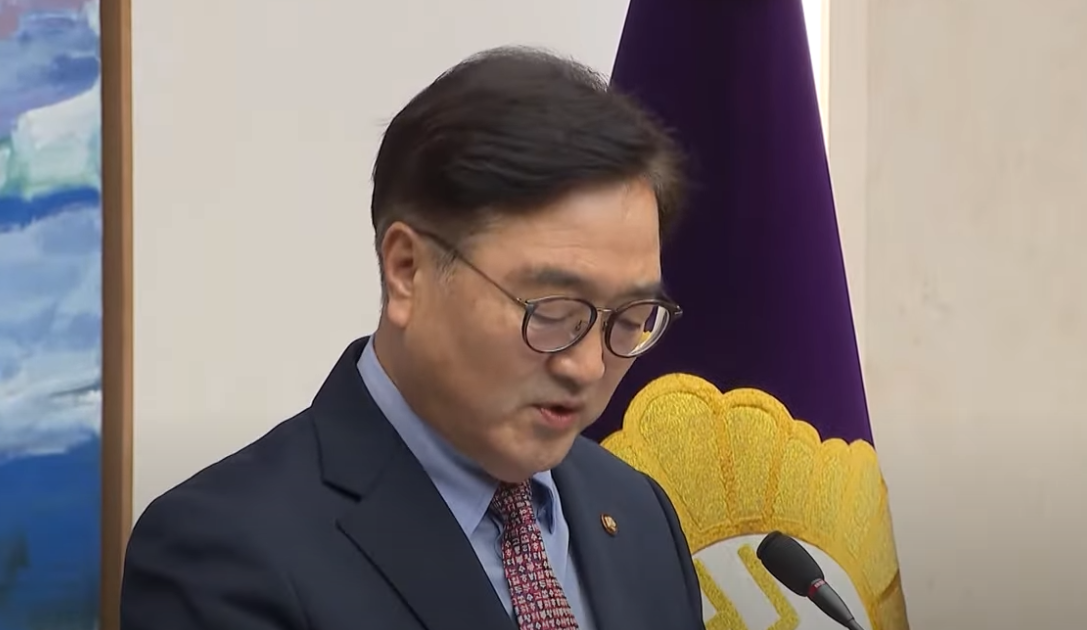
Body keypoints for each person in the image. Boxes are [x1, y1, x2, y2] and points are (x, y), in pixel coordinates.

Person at [120, 46, 705, 630]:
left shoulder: (638, 512)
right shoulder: (224, 554)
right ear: (407, 271)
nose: (587, 365)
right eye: (552, 310)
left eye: (631, 316)